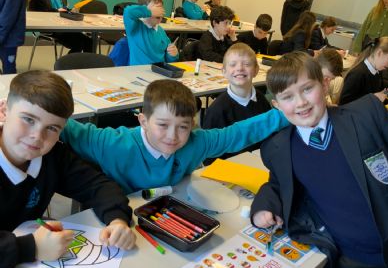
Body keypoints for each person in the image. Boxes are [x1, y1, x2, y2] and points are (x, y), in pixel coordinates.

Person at [251, 51, 388, 268]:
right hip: (354, 267)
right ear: (277, 105)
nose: (301, 103)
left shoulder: (366, 115)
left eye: (307, 89)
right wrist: (263, 206)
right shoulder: (280, 148)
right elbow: (277, 183)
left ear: (325, 84)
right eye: (288, 97)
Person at [0, 70, 135, 268]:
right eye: (28, 119)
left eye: (52, 128)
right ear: (3, 111)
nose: (37, 136)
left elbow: (97, 185)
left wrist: (117, 220)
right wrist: (31, 248)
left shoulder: (53, 156)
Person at [61, 79, 288, 194]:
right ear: (143, 121)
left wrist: (287, 113)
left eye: (183, 127)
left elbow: (236, 133)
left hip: (170, 211)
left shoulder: (195, 142)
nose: (172, 136)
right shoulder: (113, 144)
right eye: (162, 125)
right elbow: (66, 126)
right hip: (124, 218)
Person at [202, 43, 270, 162]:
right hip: (229, 168)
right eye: (233, 64)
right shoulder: (217, 111)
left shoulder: (262, 101)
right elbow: (209, 155)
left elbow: (270, 136)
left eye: (247, 64)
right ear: (224, 71)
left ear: (256, 70)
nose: (239, 68)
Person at [28, 0, 93, 54]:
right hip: (50, 27)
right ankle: (68, 62)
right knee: (78, 44)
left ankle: (87, 62)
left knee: (89, 42)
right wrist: (56, 11)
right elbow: (39, 12)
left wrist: (71, 11)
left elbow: (64, 10)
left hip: (64, 27)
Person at [123, 0, 178, 66]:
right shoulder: (135, 27)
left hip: (159, 70)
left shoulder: (161, 31)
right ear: (144, 9)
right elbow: (128, 11)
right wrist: (149, 12)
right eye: (156, 8)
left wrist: (173, 55)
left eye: (161, 8)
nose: (160, 11)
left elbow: (168, 59)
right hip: (139, 70)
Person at [339, 36, 388, 105]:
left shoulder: (378, 72)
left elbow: (379, 94)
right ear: (379, 53)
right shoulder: (358, 74)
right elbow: (344, 102)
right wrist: (373, 98)